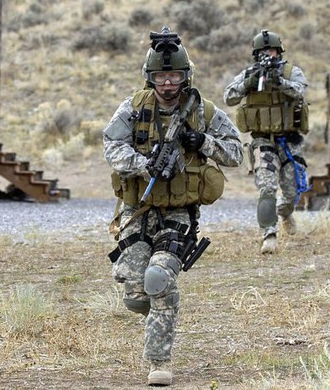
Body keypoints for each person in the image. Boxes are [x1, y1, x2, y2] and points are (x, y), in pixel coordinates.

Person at [104, 28, 242, 386]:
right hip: (137, 209)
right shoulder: (133, 108)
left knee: (158, 279)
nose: (167, 84)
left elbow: (237, 152)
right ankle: (157, 306)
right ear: (150, 78)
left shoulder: (203, 111)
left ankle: (159, 363)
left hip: (178, 214)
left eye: (174, 76)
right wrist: (141, 163)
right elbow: (111, 147)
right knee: (136, 296)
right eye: (161, 77)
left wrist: (204, 142)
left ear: (186, 76)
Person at [223, 30, 310, 255]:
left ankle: (285, 212)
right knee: (267, 187)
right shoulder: (249, 74)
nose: (267, 54)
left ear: (278, 52)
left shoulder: (291, 72)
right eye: (263, 51)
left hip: (290, 142)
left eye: (270, 50)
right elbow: (229, 97)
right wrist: (248, 84)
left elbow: (300, 92)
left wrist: (279, 82)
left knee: (291, 192)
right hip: (262, 141)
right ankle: (269, 234)